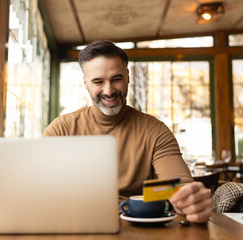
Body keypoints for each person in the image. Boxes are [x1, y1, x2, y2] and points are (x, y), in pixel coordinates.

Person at [43, 40, 212, 223]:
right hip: (74, 222)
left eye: (116, 79)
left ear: (128, 76)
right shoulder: (61, 129)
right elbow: (37, 187)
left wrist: (190, 202)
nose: (109, 91)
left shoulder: (155, 131)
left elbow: (179, 190)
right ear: (86, 83)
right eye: (98, 81)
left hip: (135, 226)